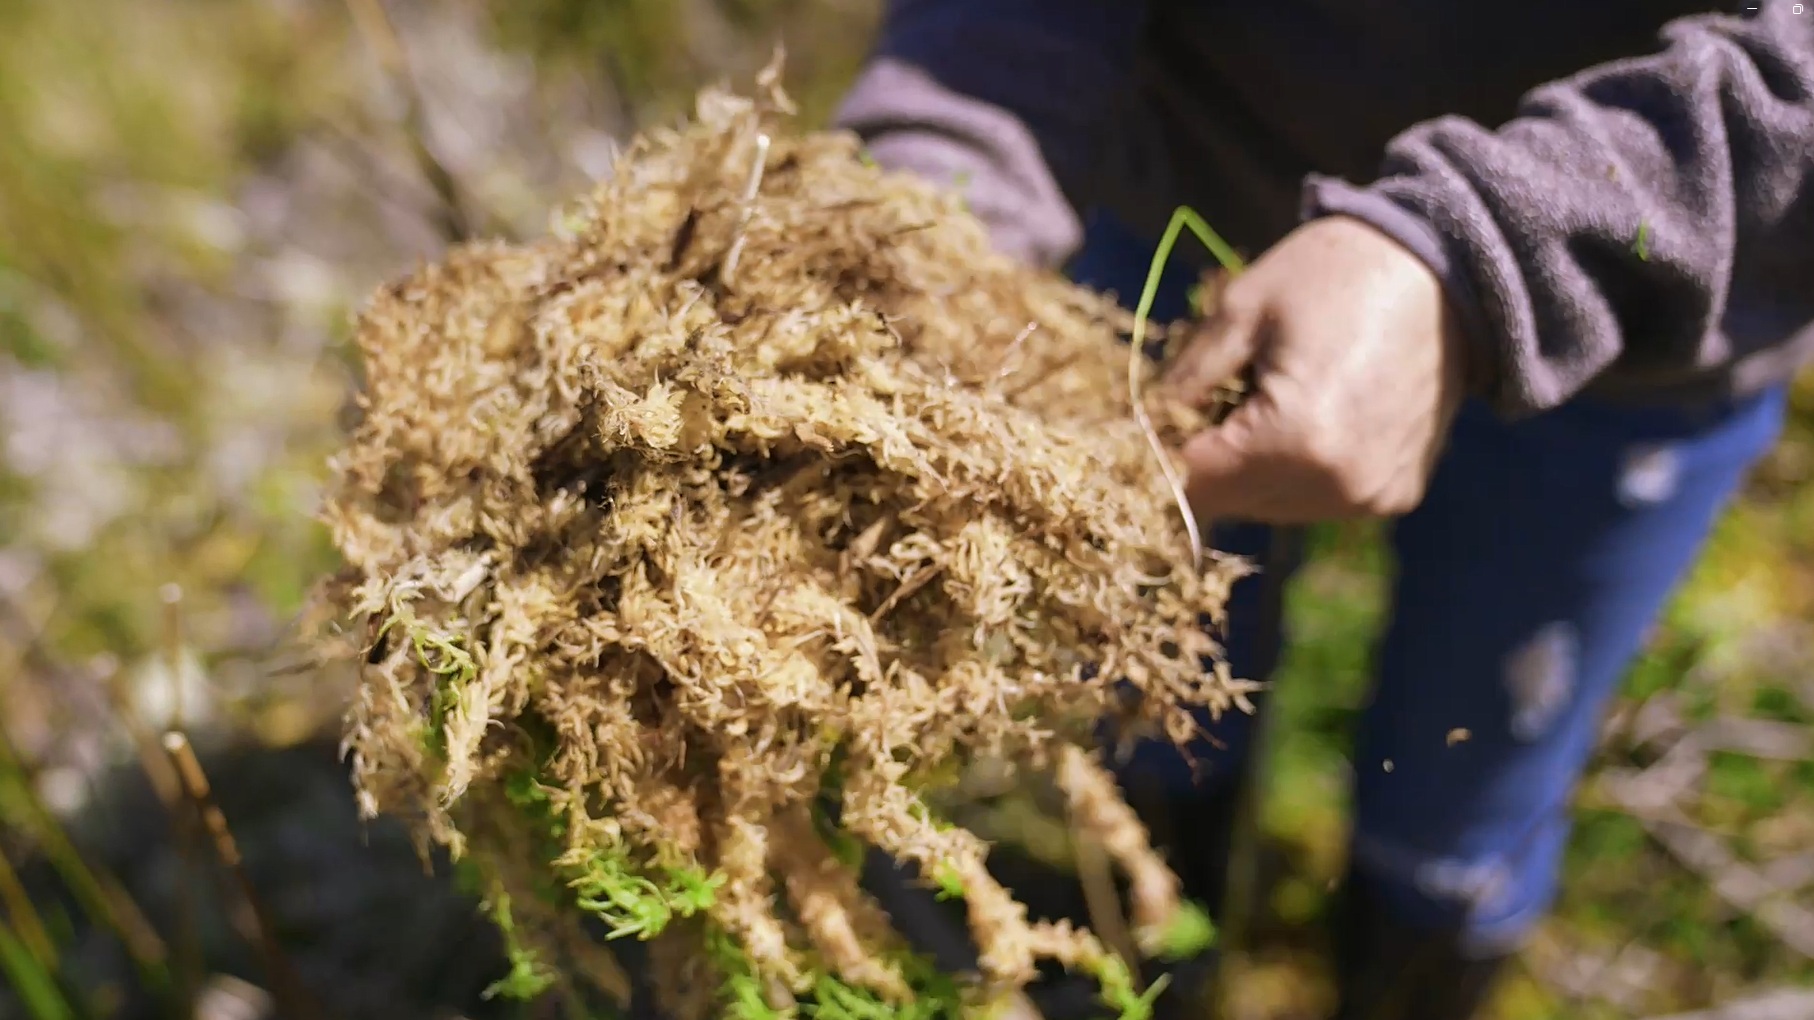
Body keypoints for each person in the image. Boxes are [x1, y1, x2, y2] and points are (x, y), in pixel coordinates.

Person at [832, 2, 1814, 1018]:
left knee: (1460, 794)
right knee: (1155, 701)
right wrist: (938, 185)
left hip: (1644, 319)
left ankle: (1402, 972)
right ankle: (1160, 965)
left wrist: (1477, 254)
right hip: (1182, 205)